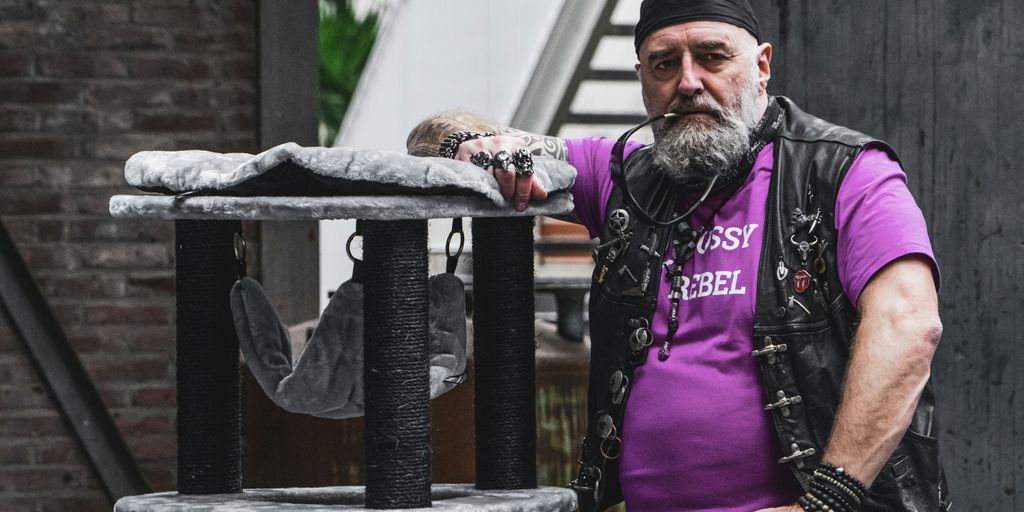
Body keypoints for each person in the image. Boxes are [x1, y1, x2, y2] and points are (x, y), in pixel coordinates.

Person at [406, 1, 948, 511]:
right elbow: (432, 137)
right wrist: (471, 147)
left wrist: (829, 499)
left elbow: (910, 326)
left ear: (762, 66)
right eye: (664, 64)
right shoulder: (624, 174)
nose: (687, 83)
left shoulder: (845, 173)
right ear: (642, 78)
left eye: (712, 57)